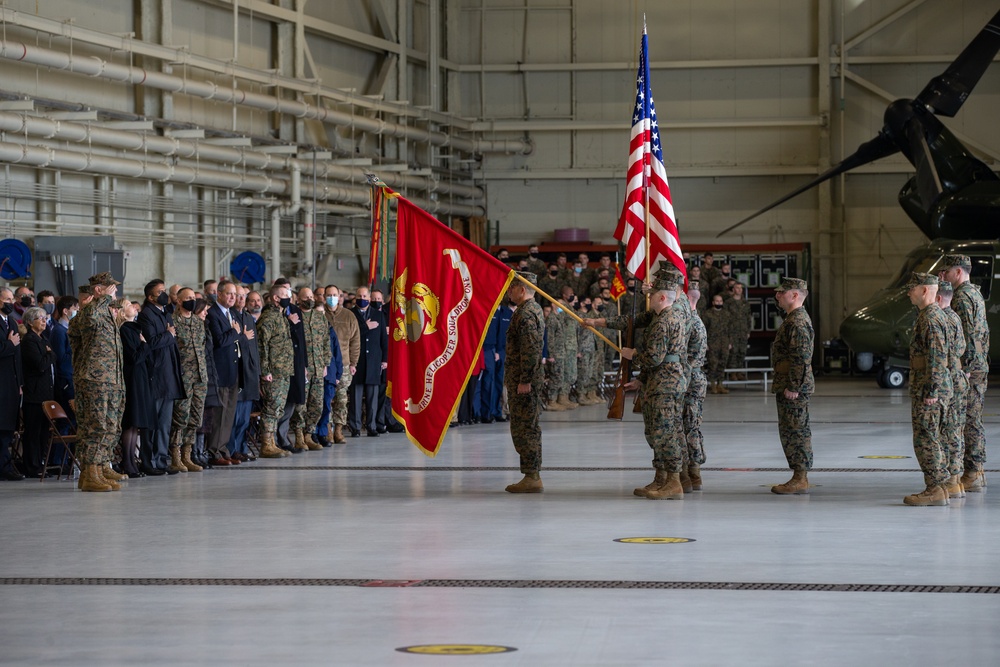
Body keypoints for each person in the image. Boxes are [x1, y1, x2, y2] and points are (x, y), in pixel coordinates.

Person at [619, 270, 689, 499]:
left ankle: (673, 481)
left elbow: (654, 357)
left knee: (664, 432)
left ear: (662, 298)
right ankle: (662, 478)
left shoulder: (664, 321)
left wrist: (632, 354)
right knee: (659, 431)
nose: (648, 298)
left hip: (665, 384)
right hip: (663, 381)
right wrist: (642, 380)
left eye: (652, 295)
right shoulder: (670, 318)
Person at [70, 272, 126, 492]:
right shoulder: (87, 314)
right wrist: (101, 299)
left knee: (110, 424)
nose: (115, 293)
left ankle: (99, 467)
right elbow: (89, 318)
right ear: (98, 290)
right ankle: (91, 471)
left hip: (111, 380)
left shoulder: (106, 315)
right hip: (93, 380)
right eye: (110, 288)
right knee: (96, 425)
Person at [937, 254, 990, 492]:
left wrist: (965, 369)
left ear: (958, 272)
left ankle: (971, 472)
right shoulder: (975, 293)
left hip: (969, 367)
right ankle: (976, 471)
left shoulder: (962, 297)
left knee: (966, 421)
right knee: (973, 419)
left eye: (946, 271)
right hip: (979, 363)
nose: (943, 275)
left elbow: (967, 336)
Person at [903, 272, 954, 506]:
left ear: (924, 290)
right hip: (932, 387)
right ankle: (940, 487)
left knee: (926, 438)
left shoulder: (930, 318)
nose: (908, 292)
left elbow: (937, 357)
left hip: (929, 389)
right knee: (934, 438)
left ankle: (934, 489)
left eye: (912, 288)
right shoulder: (934, 315)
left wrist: (931, 390)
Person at [769, 278, 814, 495]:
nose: (777, 296)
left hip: (793, 386)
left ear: (795, 295)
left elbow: (801, 357)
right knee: (790, 430)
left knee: (796, 430)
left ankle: (800, 477)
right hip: (787, 383)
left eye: (782, 292)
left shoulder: (797, 321)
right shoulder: (792, 319)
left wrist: (794, 385)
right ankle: (798, 475)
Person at [503, 273, 546, 493]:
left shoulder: (527, 313)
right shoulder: (532, 309)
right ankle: (532, 473)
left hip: (524, 381)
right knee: (526, 426)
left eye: (511, 289)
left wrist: (525, 380)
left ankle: (532, 476)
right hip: (523, 378)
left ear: (522, 289)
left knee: (524, 428)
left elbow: (530, 349)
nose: (509, 292)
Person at [137, 279, 185, 475]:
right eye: (160, 292)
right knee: (153, 424)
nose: (164, 295)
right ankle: (149, 462)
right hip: (155, 375)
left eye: (165, 291)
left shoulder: (166, 313)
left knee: (165, 424)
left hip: (169, 374)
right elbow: (150, 342)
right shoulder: (146, 315)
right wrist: (168, 335)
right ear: (150, 297)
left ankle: (161, 459)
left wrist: (169, 335)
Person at [170, 288, 209, 472]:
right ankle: (176, 456)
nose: (192, 301)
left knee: (195, 417)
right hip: (183, 376)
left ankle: (188, 454)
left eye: (194, 298)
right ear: (179, 301)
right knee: (180, 417)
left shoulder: (198, 322)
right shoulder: (173, 321)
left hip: (200, 376)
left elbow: (202, 347)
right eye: (188, 298)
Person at [115, 297, 154, 478]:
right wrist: (145, 345)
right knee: (130, 422)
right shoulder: (125, 330)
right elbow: (134, 357)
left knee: (134, 424)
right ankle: (127, 462)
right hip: (132, 379)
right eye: (130, 305)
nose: (134, 307)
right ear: (123, 312)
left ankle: (131, 462)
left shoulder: (134, 329)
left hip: (140, 378)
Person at [935, 279, 968, 498]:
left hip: (947, 377)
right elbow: (962, 346)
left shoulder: (941, 319)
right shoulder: (955, 317)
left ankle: (950, 479)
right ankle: (956, 480)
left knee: (946, 431)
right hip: (958, 374)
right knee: (955, 430)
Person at [205, 280, 243, 463]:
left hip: (233, 370)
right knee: (219, 414)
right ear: (219, 294)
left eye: (234, 294)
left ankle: (223, 449)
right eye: (229, 293)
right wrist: (235, 332)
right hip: (219, 371)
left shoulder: (232, 313)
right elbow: (219, 341)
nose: (232, 297)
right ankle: (214, 451)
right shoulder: (212, 314)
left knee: (229, 414)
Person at [256, 283, 294, 458]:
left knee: (277, 409)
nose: (289, 298)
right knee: (270, 409)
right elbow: (261, 347)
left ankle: (272, 442)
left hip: (283, 370)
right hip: (273, 372)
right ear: (276, 298)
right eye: (286, 295)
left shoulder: (281, 317)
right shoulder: (269, 318)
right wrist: (265, 371)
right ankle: (266, 444)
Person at [291, 286, 329, 450]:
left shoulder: (320, 318)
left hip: (318, 367)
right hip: (303, 369)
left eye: (311, 297)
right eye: (305, 297)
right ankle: (299, 436)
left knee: (317, 404)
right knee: (300, 405)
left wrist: (326, 363)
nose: (309, 300)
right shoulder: (294, 317)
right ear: (298, 299)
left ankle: (309, 435)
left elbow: (326, 342)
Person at [19, 306, 54, 478]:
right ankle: (31, 466)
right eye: (39, 318)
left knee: (42, 432)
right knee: (33, 432)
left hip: (45, 393)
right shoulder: (29, 341)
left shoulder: (43, 338)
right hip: (34, 394)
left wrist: (49, 355)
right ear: (30, 322)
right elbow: (40, 365)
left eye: (44, 318)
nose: (43, 321)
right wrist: (49, 355)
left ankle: (40, 463)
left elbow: (48, 358)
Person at [348, 286, 387, 437]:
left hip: (374, 361)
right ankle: (355, 427)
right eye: (359, 296)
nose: (362, 299)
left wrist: (385, 359)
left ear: (369, 298)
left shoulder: (378, 315)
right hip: (357, 361)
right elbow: (351, 334)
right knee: (356, 397)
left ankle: (371, 426)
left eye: (365, 296)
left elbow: (384, 338)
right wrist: (365, 327)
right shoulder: (350, 314)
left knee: (372, 397)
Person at [323, 285, 360, 443]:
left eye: (334, 295)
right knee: (326, 398)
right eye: (329, 295)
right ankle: (328, 430)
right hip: (325, 365)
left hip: (344, 364)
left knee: (341, 399)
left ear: (339, 297)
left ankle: (338, 430)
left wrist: (353, 362)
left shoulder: (349, 316)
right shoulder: (320, 314)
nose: (332, 297)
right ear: (324, 296)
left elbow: (355, 342)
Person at [228, 286, 259, 461]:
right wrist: (242, 337)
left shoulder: (248, 317)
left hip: (249, 371)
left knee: (244, 419)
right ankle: (232, 449)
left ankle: (242, 447)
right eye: (237, 296)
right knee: (235, 416)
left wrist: (257, 371)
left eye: (242, 296)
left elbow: (254, 348)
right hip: (236, 371)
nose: (240, 299)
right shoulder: (230, 316)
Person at [683, 285, 708, 490]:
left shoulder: (693, 324)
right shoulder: (688, 321)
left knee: (690, 427)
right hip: (689, 378)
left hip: (690, 379)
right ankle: (689, 473)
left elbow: (690, 359)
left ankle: (694, 472)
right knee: (687, 426)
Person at [0, 287, 23, 480]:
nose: (10, 302)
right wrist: (9, 344)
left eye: (11, 299)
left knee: (7, 427)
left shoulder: (12, 323)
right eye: (6, 299)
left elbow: (18, 357)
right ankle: (4, 467)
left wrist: (20, 382)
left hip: (12, 383)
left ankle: (6, 466)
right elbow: (7, 348)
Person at [702, 293, 731, 394]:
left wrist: (729, 342)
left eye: (720, 301)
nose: (719, 303)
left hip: (724, 342)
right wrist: (705, 343)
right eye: (717, 301)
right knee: (713, 364)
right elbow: (704, 329)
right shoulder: (707, 314)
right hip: (712, 342)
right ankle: (712, 384)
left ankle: (720, 384)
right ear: (713, 302)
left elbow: (730, 329)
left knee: (722, 363)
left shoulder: (726, 314)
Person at [726, 282, 752, 380]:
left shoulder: (745, 303)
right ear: (733, 289)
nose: (739, 290)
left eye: (741, 288)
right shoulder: (729, 303)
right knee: (734, 351)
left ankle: (739, 371)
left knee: (742, 351)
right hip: (732, 331)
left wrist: (748, 330)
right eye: (737, 288)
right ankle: (732, 372)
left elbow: (748, 318)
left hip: (743, 330)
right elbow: (726, 318)